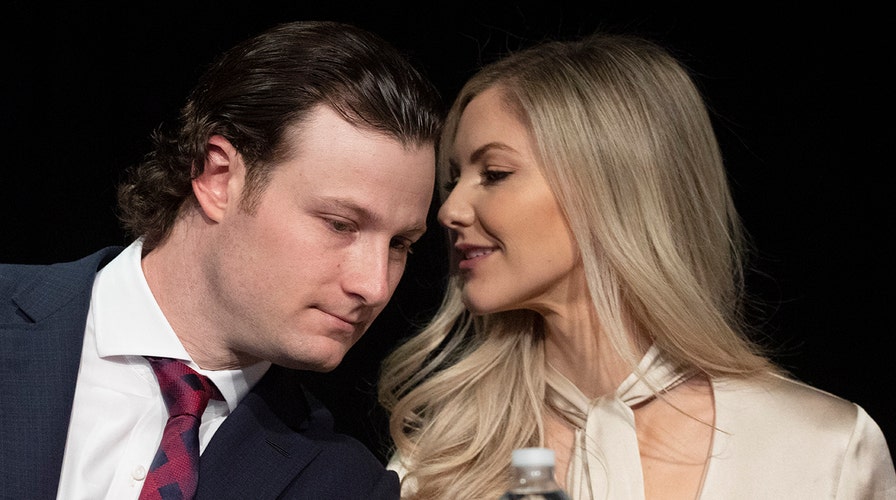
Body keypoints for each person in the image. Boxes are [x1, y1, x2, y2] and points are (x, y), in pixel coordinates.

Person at [378, 32, 896, 499]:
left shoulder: (820, 449)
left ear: (611, 185)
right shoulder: (441, 464)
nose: (448, 211)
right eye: (455, 177)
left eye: (493, 172)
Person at [0, 20, 442, 499]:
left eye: (400, 244)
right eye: (340, 223)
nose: (374, 286)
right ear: (218, 176)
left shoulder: (348, 486)